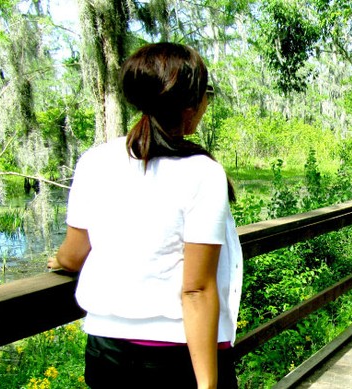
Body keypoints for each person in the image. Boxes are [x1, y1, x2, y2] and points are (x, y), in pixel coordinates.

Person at [48, 42, 243, 389]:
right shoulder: (202, 172)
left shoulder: (95, 161)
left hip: (106, 351)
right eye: (205, 94)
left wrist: (57, 261)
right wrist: (208, 385)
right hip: (177, 356)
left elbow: (74, 255)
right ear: (190, 105)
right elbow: (196, 290)